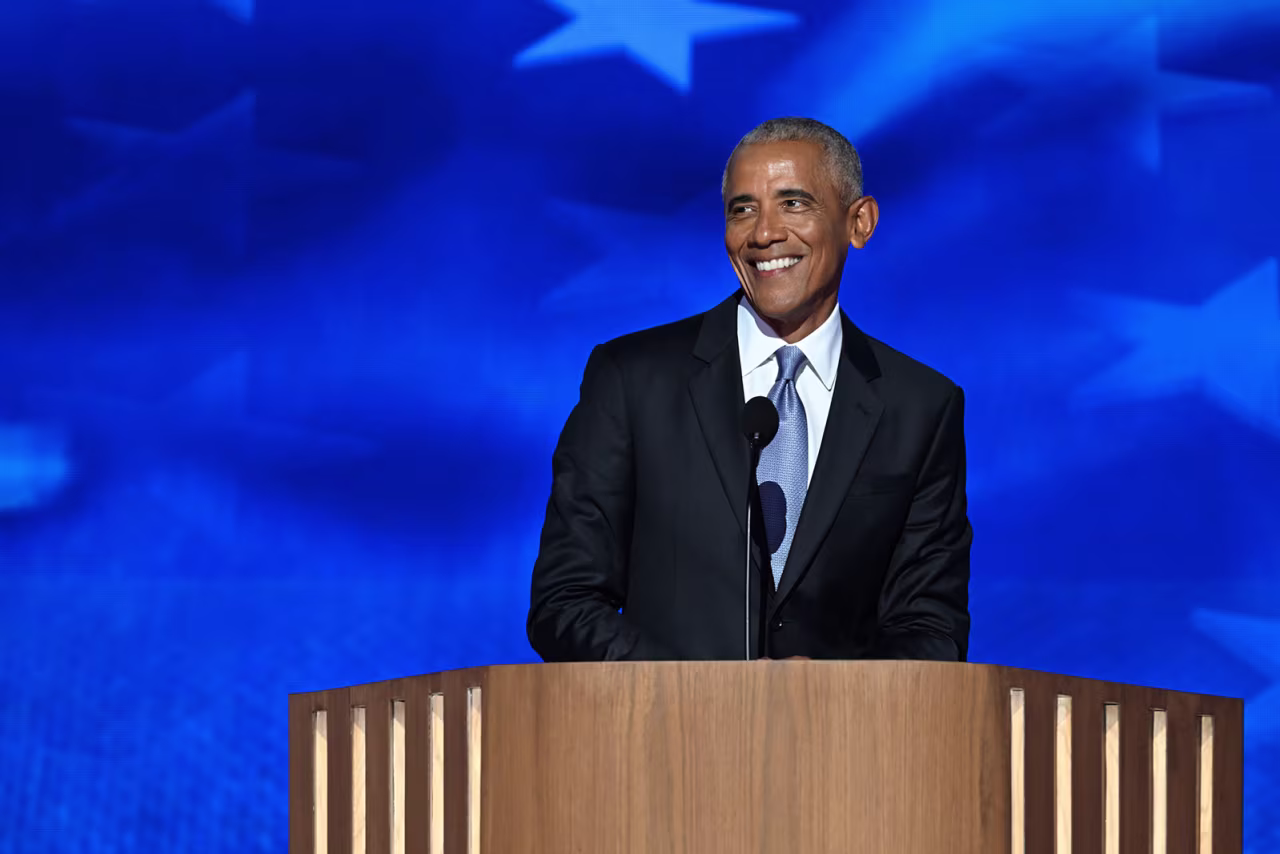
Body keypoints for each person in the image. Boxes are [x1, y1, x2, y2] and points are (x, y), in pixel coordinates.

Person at [527, 117, 971, 662]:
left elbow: (930, 627)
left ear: (859, 222)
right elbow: (565, 601)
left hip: (844, 741)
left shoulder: (920, 407)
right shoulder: (632, 378)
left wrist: (834, 702)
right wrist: (694, 699)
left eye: (794, 203)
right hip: (660, 736)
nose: (763, 234)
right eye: (742, 209)